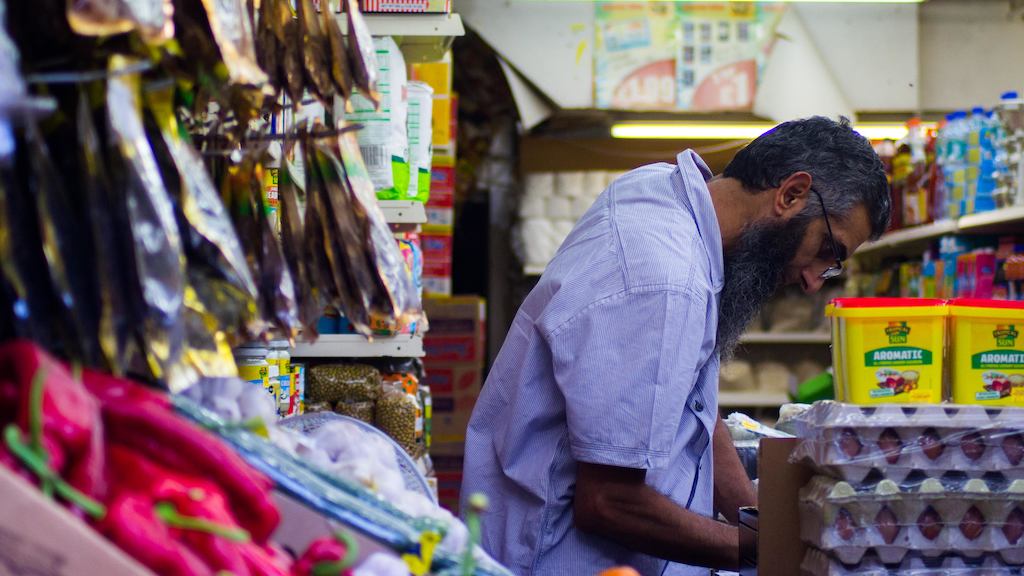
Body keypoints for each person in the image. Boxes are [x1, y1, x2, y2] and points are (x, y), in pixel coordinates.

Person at [461, 116, 891, 575]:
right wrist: (770, 552)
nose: (813, 281)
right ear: (791, 194)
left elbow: (695, 407)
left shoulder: (664, 194)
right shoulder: (665, 283)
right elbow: (608, 501)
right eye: (827, 251)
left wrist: (760, 521)